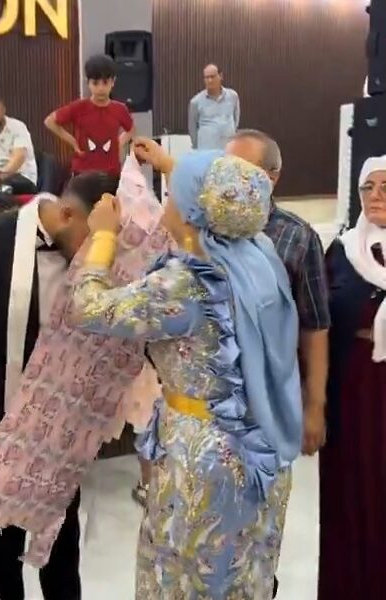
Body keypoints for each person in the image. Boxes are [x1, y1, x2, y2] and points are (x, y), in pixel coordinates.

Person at [71, 148, 302, 599]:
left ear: (194, 211)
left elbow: (89, 308)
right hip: (259, 445)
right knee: (243, 573)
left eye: (173, 194)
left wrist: (102, 238)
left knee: (187, 577)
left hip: (201, 458)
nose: (168, 202)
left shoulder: (186, 283)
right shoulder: (260, 258)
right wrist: (172, 167)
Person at [0, 171, 119, 600]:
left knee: (63, 547)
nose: (100, 251)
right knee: (1, 550)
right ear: (68, 214)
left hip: (61, 429)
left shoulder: (93, 262)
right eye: (95, 237)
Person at [226, 130, 329, 459]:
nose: (229, 181)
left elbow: (314, 326)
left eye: (242, 170)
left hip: (271, 401)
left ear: (272, 177)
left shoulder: (297, 237)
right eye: (224, 169)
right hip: (216, 401)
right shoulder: (206, 232)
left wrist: (314, 406)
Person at [318, 156, 386, 600]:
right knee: (353, 493)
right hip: (352, 391)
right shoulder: (341, 252)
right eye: (368, 188)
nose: (376, 196)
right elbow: (317, 325)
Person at [44, 54, 135, 177]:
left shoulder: (120, 109)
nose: (101, 88)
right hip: (83, 171)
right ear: (88, 82)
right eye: (95, 83)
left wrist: (119, 143)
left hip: (111, 172)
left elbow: (131, 129)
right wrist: (73, 142)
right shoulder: (78, 107)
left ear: (113, 82)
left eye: (105, 82)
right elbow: (50, 121)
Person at [188, 64, 240, 150]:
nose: (210, 80)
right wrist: (197, 148)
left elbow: (236, 118)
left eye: (212, 77)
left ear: (220, 76)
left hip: (227, 149)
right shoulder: (196, 102)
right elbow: (192, 128)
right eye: (206, 77)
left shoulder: (233, 96)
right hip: (206, 150)